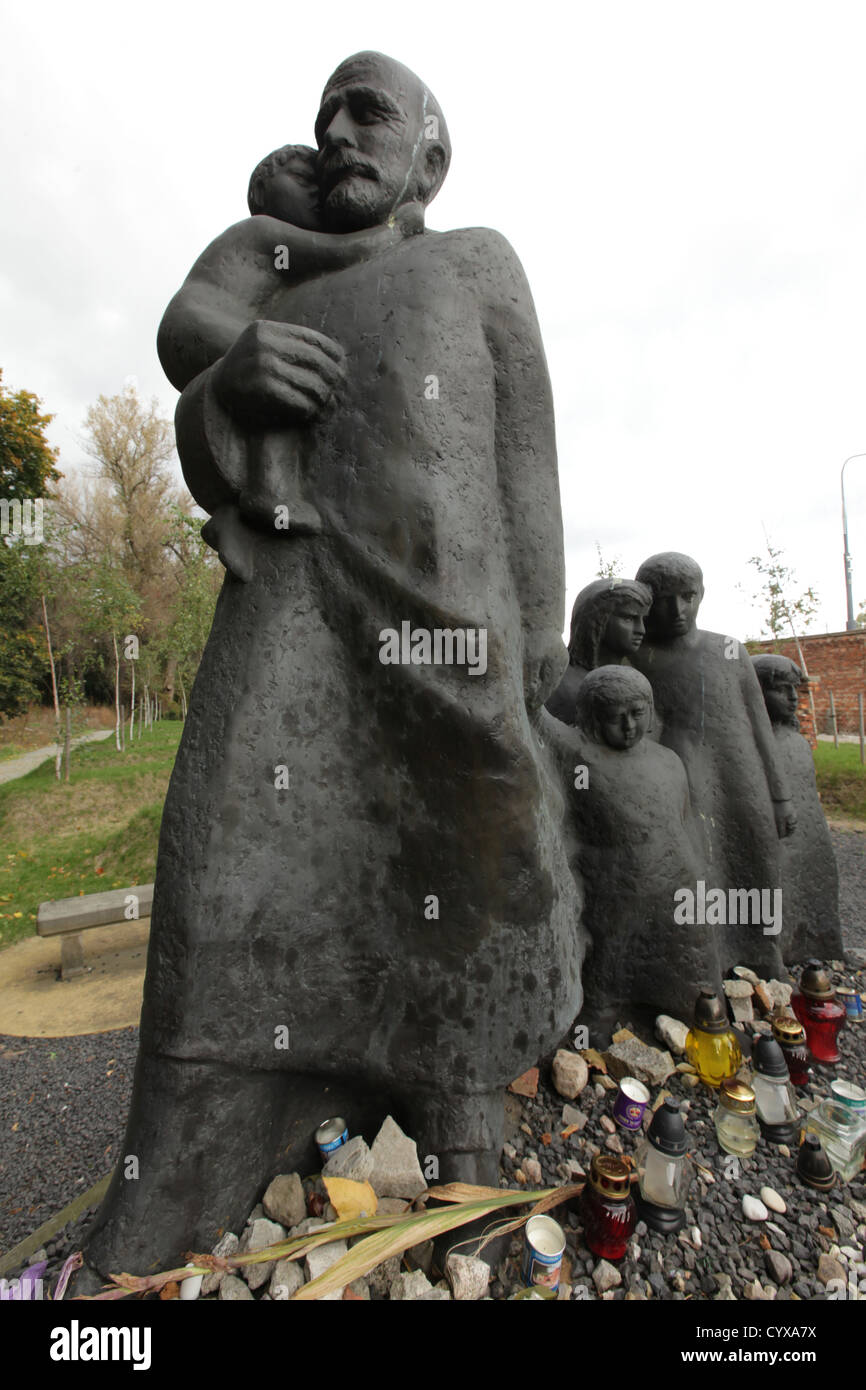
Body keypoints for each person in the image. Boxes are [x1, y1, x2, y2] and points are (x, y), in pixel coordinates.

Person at [83, 51, 586, 1281]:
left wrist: (539, 631)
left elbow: (526, 463)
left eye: (371, 111)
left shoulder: (474, 263)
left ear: (429, 154)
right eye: (326, 118)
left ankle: (457, 1087)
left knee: (465, 853)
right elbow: (187, 337)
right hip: (296, 609)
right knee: (228, 866)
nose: (341, 133)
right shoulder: (276, 262)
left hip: (451, 633)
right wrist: (234, 383)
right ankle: (199, 1138)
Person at [631, 552, 795, 978]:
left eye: (688, 597)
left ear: (702, 594)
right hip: (684, 777)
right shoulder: (638, 657)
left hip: (742, 776)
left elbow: (761, 726)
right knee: (700, 868)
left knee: (756, 858)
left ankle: (764, 949)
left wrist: (779, 795)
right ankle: (709, 953)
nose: (678, 610)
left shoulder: (728, 650)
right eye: (664, 599)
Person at [564, 666, 721, 1022]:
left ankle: (699, 1006)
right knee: (612, 956)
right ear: (591, 717)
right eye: (614, 717)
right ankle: (603, 1011)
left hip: (678, 880)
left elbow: (682, 821)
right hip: (615, 886)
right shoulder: (580, 758)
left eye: (637, 713)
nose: (629, 726)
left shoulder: (668, 761)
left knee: (690, 952)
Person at [752, 654, 843, 962]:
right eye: (781, 689)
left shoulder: (798, 743)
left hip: (810, 836)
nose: (792, 698)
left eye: (795, 689)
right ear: (757, 693)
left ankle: (821, 942)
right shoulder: (752, 746)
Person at [546, 577, 652, 725]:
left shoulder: (637, 680)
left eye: (643, 620)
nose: (641, 630)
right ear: (598, 620)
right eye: (628, 618)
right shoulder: (561, 684)